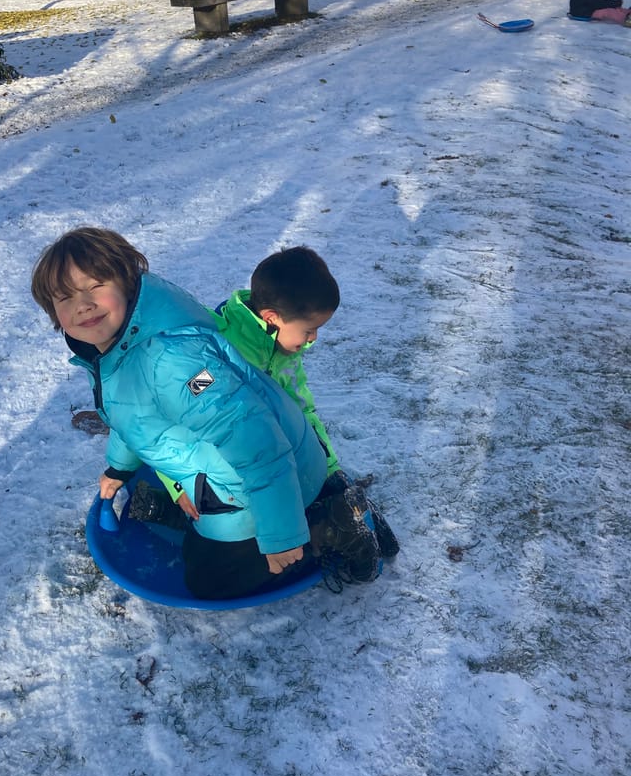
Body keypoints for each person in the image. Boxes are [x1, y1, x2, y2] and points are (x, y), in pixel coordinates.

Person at [30, 228, 380, 600]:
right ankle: (199, 519)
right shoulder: (117, 349)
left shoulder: (174, 361)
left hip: (278, 481)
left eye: (95, 286)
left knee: (208, 580)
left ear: (128, 283)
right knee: (198, 543)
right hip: (244, 471)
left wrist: (282, 535)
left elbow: (255, 439)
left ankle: (329, 527)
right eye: (65, 297)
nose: (81, 305)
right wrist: (119, 468)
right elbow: (133, 415)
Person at [134, 246, 400, 559]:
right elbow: (168, 419)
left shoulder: (284, 350)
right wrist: (178, 486)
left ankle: (331, 508)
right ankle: (163, 507)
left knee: (298, 482)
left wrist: (329, 472)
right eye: (309, 330)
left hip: (266, 448)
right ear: (271, 319)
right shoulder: (213, 358)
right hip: (217, 458)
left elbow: (302, 409)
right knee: (229, 518)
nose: (313, 339)